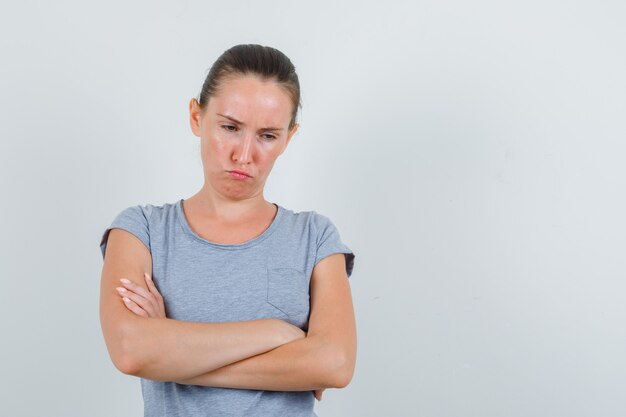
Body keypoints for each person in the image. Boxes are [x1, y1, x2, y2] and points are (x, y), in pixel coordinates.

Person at [98, 44, 356, 417]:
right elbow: (131, 350)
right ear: (196, 116)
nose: (244, 154)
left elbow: (335, 364)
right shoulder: (142, 231)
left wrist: (172, 353)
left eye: (267, 135)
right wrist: (277, 334)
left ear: (289, 136)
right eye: (230, 127)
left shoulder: (315, 237)